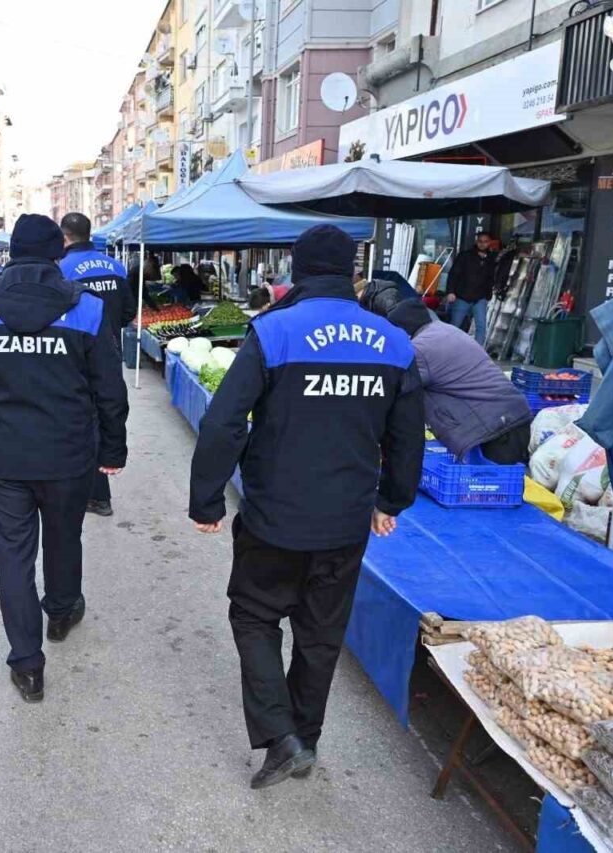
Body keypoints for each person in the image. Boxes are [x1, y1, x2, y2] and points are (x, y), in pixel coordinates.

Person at [188, 225, 424, 790]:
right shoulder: (393, 341)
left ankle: (282, 737)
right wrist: (392, 499)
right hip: (346, 519)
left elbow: (225, 421)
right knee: (321, 632)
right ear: (352, 273)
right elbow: (408, 434)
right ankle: (305, 737)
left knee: (254, 614)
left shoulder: (275, 331)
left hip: (275, 514)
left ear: (297, 270)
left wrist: (206, 500)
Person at [0, 214, 128, 702]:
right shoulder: (86, 307)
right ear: (57, 253)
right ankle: (62, 611)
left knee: (12, 556)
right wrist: (112, 447)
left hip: (2, 456)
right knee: (65, 536)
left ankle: (27, 663)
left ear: (11, 251)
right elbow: (109, 388)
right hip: (68, 453)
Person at [361, 280, 532, 463]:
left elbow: (387, 387)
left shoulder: (420, 349)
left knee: (491, 480)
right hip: (511, 417)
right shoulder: (445, 330)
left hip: (497, 430)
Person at [59, 212, 136, 518]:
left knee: (83, 420)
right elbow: (129, 310)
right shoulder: (115, 266)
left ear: (65, 237)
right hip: (110, 349)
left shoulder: (62, 269)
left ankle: (95, 494)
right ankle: (97, 487)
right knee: (107, 413)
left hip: (77, 354)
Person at [446, 231, 498, 346]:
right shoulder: (465, 256)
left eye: (485, 242)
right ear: (476, 241)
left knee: (481, 326)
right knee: (454, 326)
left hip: (480, 297)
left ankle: (478, 351)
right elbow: (454, 274)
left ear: (489, 243)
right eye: (480, 241)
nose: (482, 244)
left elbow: (490, 278)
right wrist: (450, 292)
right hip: (462, 296)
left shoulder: (491, 258)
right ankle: (448, 348)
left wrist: (488, 295)